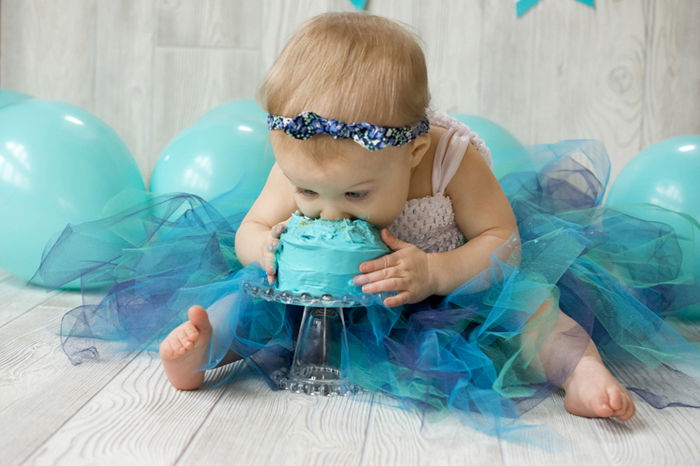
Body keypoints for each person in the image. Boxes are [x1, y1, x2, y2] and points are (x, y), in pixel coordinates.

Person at [34, 11, 700, 445]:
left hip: (445, 293)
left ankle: (574, 366)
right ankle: (204, 351)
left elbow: (505, 242)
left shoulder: (450, 158)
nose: (326, 210)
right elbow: (253, 228)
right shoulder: (302, 158)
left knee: (531, 305)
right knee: (245, 294)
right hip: (317, 299)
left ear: (410, 153)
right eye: (308, 191)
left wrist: (439, 272)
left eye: (354, 192)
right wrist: (264, 245)